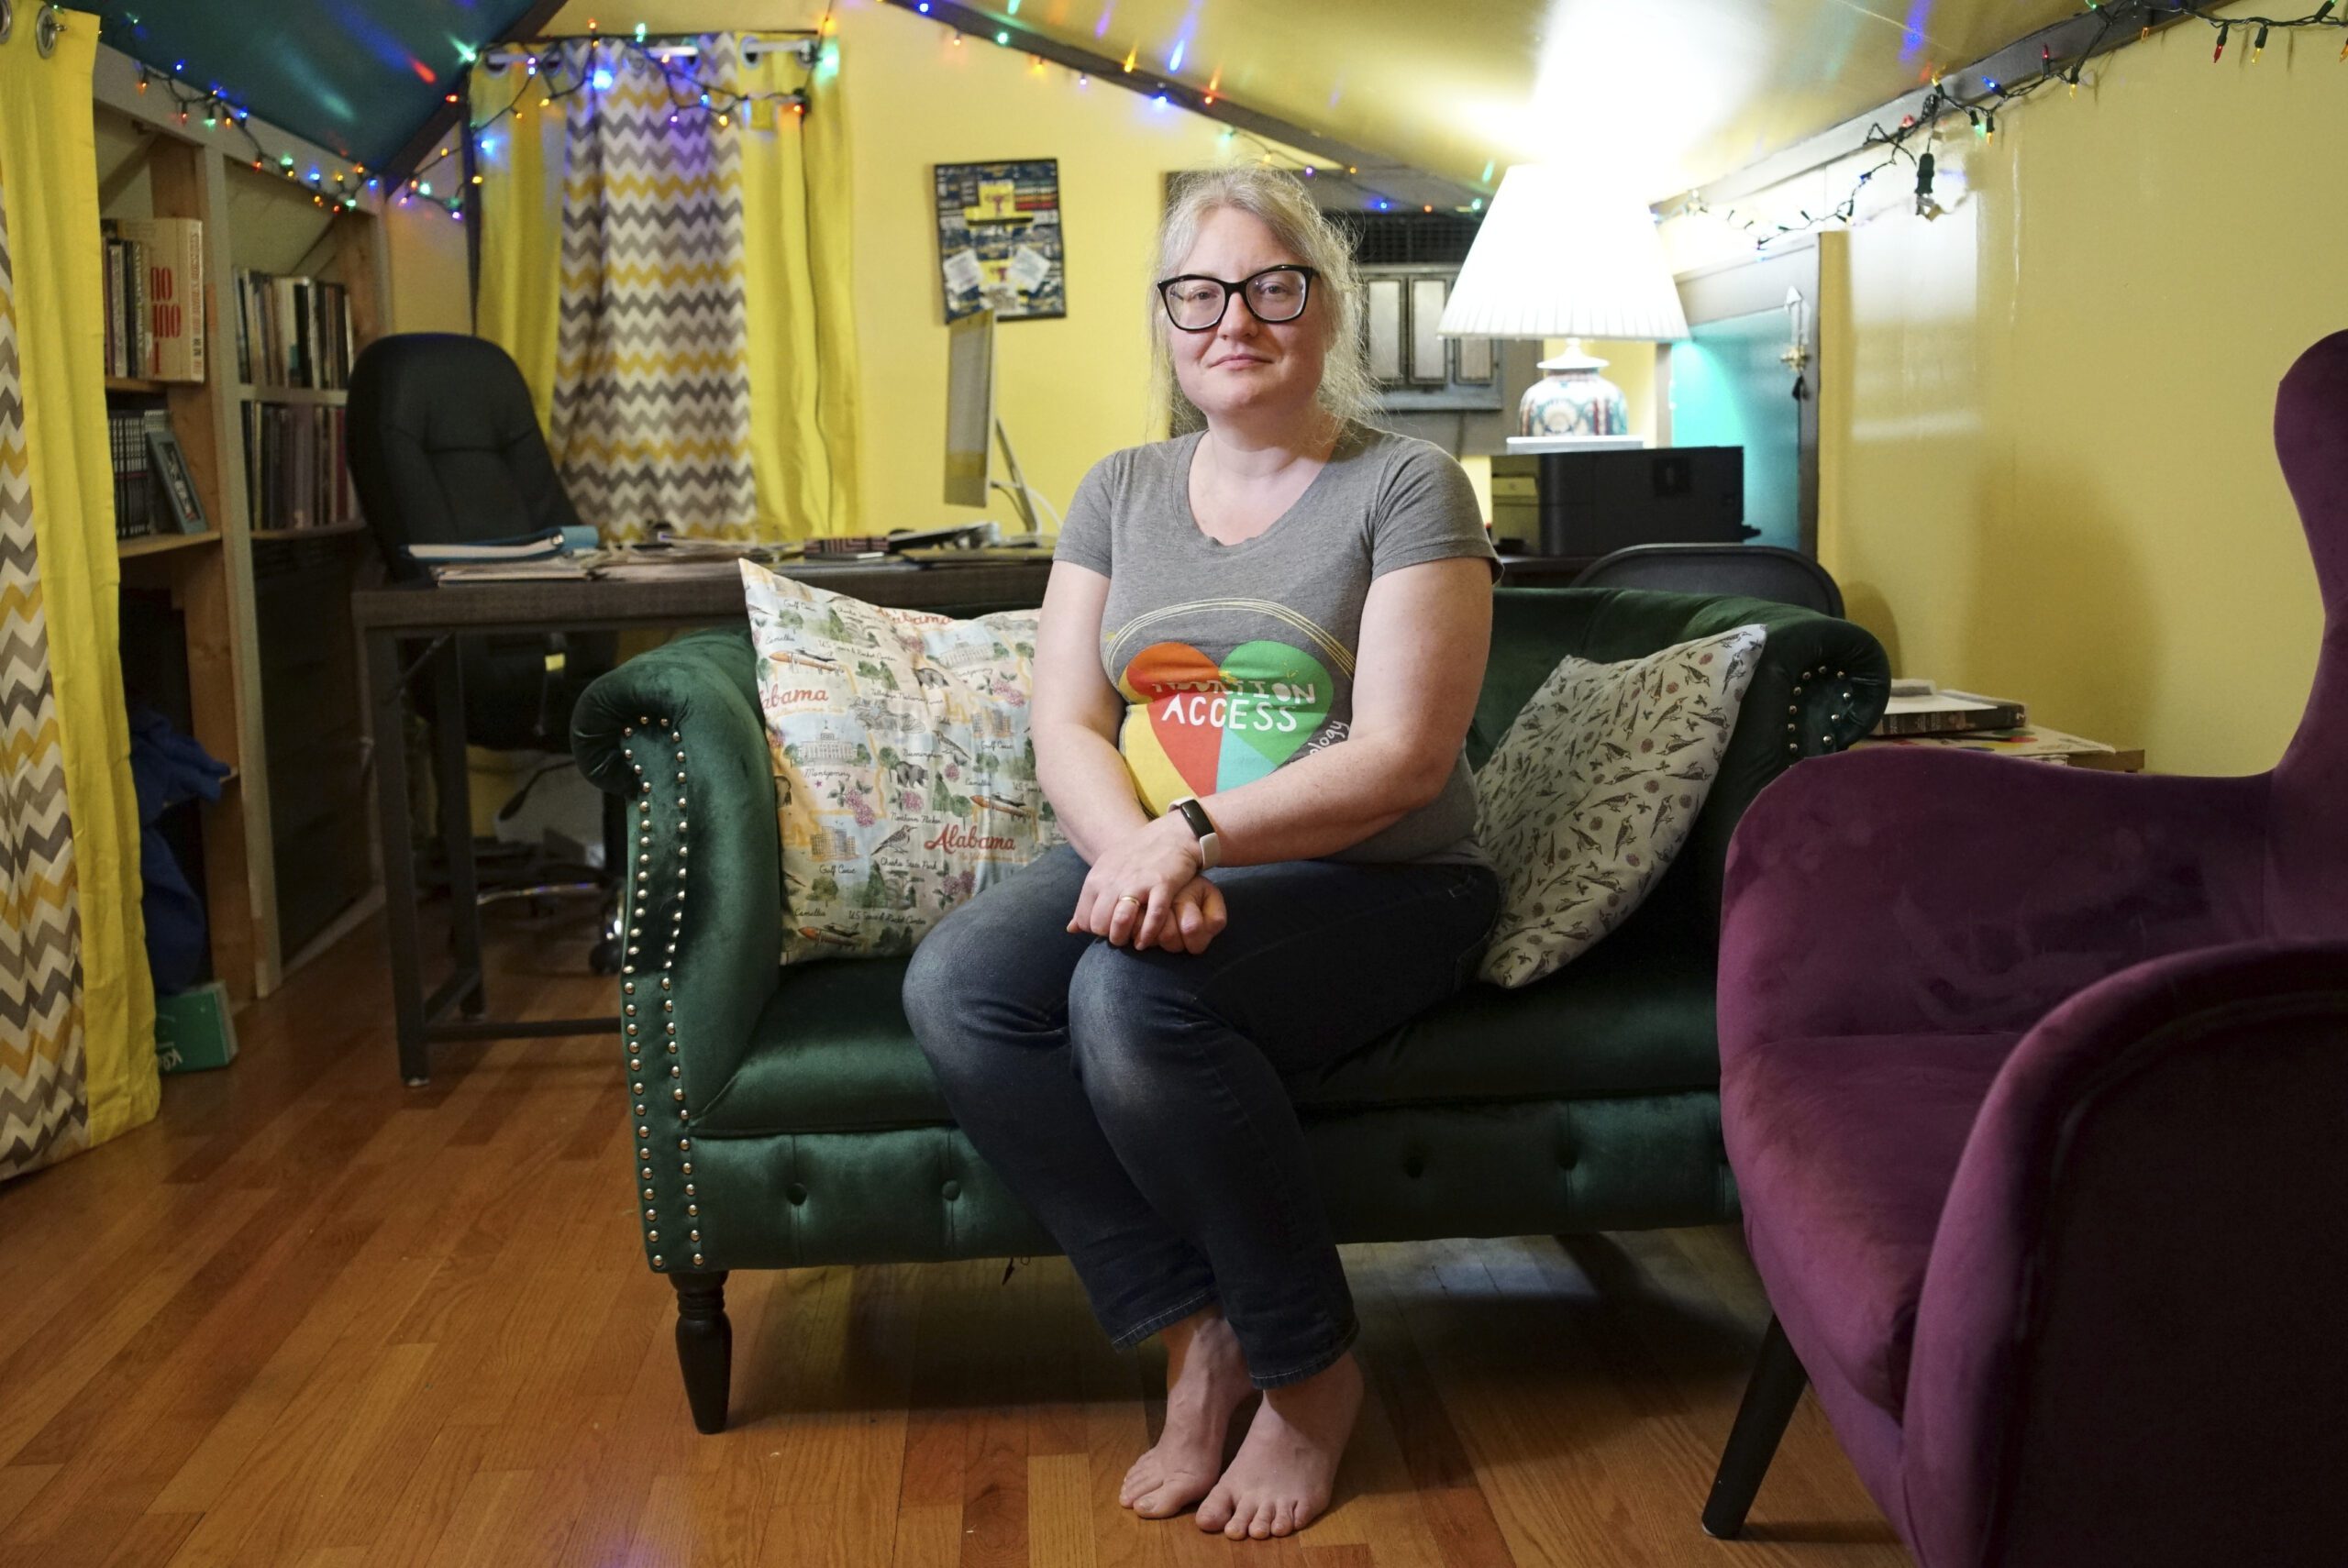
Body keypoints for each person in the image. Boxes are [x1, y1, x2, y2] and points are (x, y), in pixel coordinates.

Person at [902, 166, 1501, 1541]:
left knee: (1131, 998)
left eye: (1271, 286)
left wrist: (1187, 839)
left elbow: (1405, 757)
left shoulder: (1407, 486)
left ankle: (1308, 1371)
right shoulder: (1121, 488)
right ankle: (1195, 1332)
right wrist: (1133, 856)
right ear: (1167, 321)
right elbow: (1066, 716)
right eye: (1200, 292)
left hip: (1385, 874)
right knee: (961, 989)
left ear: (1324, 304)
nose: (1235, 318)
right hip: (1163, 844)